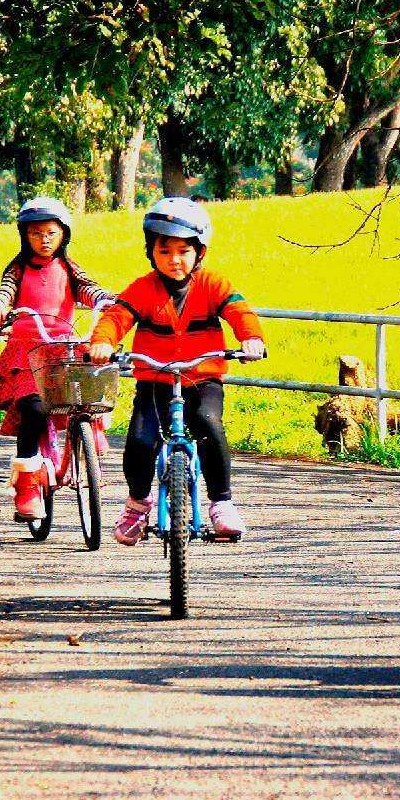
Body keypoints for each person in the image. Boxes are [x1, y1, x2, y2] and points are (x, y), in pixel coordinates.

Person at [87, 196, 268, 544]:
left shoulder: (213, 284)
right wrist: (103, 343)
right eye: (164, 251)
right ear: (150, 252)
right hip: (155, 381)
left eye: (184, 251)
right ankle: (138, 504)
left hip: (202, 380)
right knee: (140, 441)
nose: (174, 260)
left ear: (200, 253)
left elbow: (240, 312)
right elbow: (116, 317)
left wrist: (251, 339)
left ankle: (222, 503)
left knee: (207, 424)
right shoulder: (143, 289)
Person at [0, 196, 114, 522]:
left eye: (51, 233)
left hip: (64, 347)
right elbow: (6, 291)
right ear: (25, 236)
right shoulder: (17, 269)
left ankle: (86, 454)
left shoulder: (69, 268)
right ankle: (27, 484)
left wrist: (104, 299)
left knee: (87, 396)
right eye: (36, 233)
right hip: (27, 351)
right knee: (33, 408)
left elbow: (88, 289)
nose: (44, 239)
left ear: (63, 235)